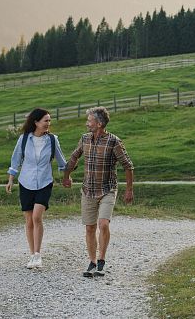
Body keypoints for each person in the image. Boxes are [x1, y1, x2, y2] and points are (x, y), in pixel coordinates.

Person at [62, 106, 134, 277]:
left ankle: (101, 260)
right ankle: (92, 262)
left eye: (89, 121)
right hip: (88, 190)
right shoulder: (85, 139)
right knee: (89, 228)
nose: (87, 123)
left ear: (99, 123)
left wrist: (129, 189)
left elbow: (128, 166)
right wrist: (66, 176)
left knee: (103, 224)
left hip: (108, 189)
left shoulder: (114, 141)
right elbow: (74, 157)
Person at [6, 107, 67, 269]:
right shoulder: (24, 139)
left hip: (45, 182)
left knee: (37, 217)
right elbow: (15, 160)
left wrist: (67, 176)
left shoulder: (53, 140)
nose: (48, 123)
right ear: (36, 122)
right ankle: (32, 254)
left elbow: (61, 162)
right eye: (45, 120)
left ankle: (38, 255)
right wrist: (11, 180)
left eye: (49, 120)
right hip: (26, 182)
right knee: (29, 220)